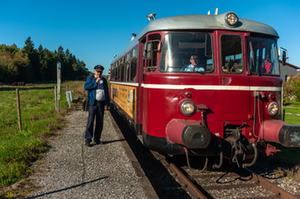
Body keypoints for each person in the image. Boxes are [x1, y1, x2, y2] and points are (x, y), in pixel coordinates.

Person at [84, 65, 110, 147]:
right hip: (93, 103)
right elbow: (86, 87)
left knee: (100, 122)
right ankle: (88, 139)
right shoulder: (90, 79)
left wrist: (108, 103)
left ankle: (97, 138)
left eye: (100, 72)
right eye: (97, 71)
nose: (99, 73)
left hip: (101, 103)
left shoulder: (104, 80)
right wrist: (95, 82)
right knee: (90, 121)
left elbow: (106, 91)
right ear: (94, 72)